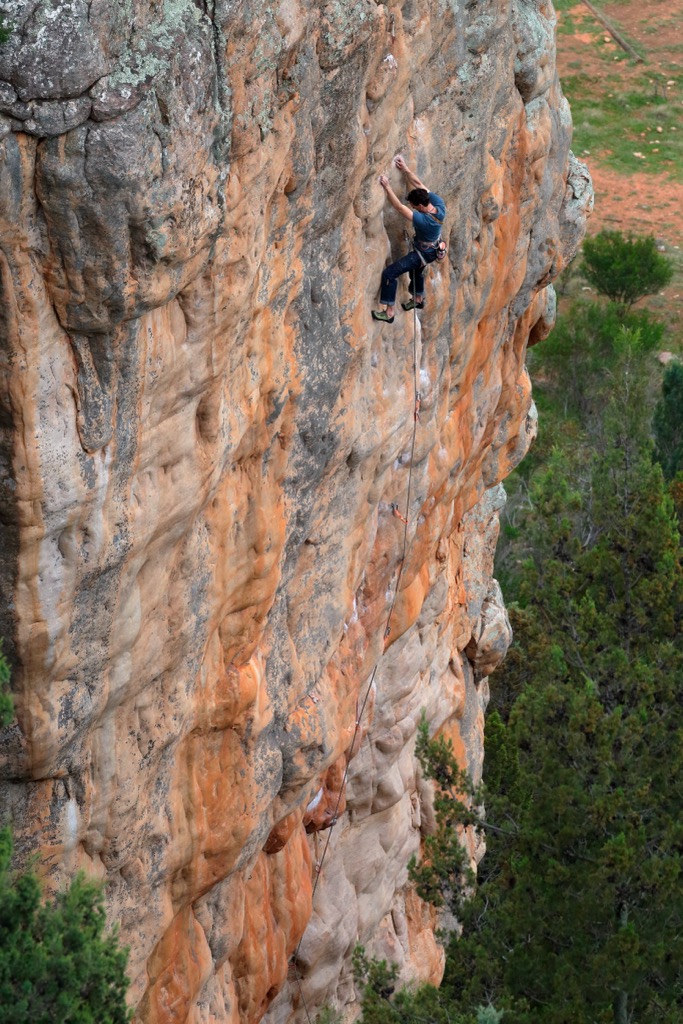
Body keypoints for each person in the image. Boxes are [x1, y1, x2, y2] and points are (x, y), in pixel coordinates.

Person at [372, 155, 446, 324]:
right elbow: (419, 184)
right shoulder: (438, 205)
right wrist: (405, 169)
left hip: (424, 253)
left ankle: (389, 313)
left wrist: (387, 186)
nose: (413, 208)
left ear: (420, 206)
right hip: (431, 249)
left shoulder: (424, 220)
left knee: (390, 273)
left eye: (414, 206)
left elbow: (399, 207)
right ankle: (418, 300)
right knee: (417, 270)